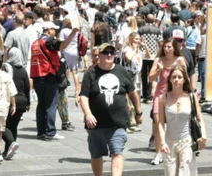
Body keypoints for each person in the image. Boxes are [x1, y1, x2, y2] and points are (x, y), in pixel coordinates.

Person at [80, 41, 143, 176]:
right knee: (96, 154)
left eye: (112, 53)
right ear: (99, 55)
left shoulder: (122, 72)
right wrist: (88, 114)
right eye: (106, 53)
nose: (109, 55)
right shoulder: (90, 74)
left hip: (118, 123)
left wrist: (138, 111)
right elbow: (83, 97)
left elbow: (132, 93)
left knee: (117, 153)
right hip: (96, 123)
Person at [155, 61, 204, 176]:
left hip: (186, 141)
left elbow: (200, 119)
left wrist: (203, 136)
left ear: (184, 80)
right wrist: (162, 142)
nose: (176, 79)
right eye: (174, 77)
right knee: (170, 173)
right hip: (169, 142)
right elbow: (161, 123)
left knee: (184, 172)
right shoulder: (163, 98)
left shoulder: (191, 97)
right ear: (170, 79)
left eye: (179, 77)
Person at [29, 22, 63, 141]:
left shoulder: (35, 43)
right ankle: (51, 131)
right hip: (48, 75)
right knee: (51, 105)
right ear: (48, 31)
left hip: (37, 76)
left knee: (41, 104)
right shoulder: (48, 42)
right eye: (54, 30)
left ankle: (41, 131)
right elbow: (61, 46)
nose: (56, 32)